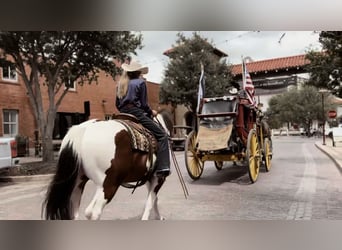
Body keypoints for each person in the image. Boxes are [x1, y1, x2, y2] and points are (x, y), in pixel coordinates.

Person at [116, 61, 171, 177]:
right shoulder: (140, 83)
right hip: (136, 113)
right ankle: (163, 167)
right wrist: (152, 112)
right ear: (138, 72)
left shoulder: (120, 85)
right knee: (162, 135)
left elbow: (117, 104)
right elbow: (144, 105)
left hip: (122, 113)